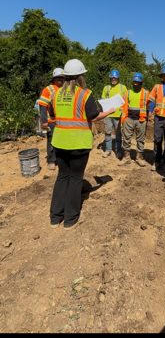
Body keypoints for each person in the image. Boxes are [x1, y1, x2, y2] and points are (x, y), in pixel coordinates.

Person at [49, 59, 115, 229]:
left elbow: (52, 113)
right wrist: (108, 112)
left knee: (62, 176)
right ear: (80, 77)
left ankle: (55, 217)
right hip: (78, 144)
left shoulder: (55, 94)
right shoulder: (84, 94)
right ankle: (71, 219)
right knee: (76, 178)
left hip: (59, 142)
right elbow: (93, 116)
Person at [120, 73, 150, 167]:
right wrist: (123, 118)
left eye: (137, 82)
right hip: (128, 118)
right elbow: (123, 106)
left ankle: (139, 157)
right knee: (126, 138)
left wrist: (148, 117)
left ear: (141, 82)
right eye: (134, 82)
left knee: (140, 139)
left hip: (141, 119)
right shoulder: (127, 93)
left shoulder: (146, 93)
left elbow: (149, 106)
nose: (135, 83)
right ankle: (126, 157)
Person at [37, 68, 65, 170]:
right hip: (52, 121)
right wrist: (44, 121)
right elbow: (43, 106)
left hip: (64, 120)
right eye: (58, 77)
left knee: (63, 140)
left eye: (62, 78)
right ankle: (51, 160)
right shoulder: (48, 89)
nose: (60, 79)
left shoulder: (66, 89)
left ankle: (61, 159)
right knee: (51, 140)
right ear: (53, 78)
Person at [101, 70, 127, 159]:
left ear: (118, 78)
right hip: (108, 115)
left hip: (118, 115)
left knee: (118, 133)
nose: (113, 79)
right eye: (112, 77)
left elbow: (126, 102)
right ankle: (108, 150)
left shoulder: (123, 88)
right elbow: (103, 101)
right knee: (108, 133)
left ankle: (118, 150)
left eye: (115, 77)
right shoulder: (106, 88)